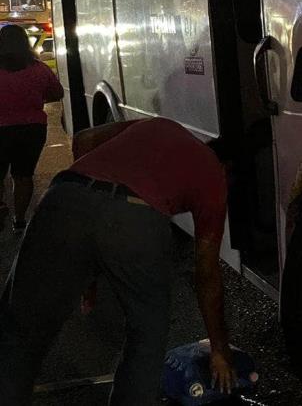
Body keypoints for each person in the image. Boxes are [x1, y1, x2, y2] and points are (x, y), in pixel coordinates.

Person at [0, 117, 235, 405]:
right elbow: (207, 273)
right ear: (228, 167)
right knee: (146, 336)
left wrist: (90, 251)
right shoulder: (215, 175)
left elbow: (84, 138)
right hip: (135, 219)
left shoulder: (162, 127)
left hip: (64, 199)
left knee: (19, 330)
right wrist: (219, 350)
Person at [0, 23, 63, 231]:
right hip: (31, 129)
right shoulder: (39, 69)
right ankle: (19, 221)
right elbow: (57, 93)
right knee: (24, 175)